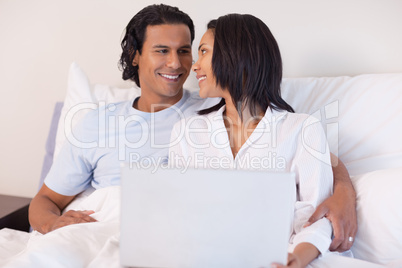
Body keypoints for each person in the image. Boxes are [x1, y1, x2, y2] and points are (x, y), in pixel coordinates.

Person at [29, 4, 356, 252]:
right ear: (134, 56)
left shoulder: (214, 104)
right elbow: (44, 201)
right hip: (109, 226)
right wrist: (55, 225)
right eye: (162, 51)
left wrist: (341, 197)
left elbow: (313, 155)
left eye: (186, 51)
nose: (178, 63)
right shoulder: (96, 122)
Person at [167, 14, 351, 267]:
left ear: (237, 55)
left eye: (204, 52)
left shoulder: (301, 129)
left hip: (279, 257)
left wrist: (298, 258)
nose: (195, 66)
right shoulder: (187, 131)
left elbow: (316, 215)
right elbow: (177, 212)